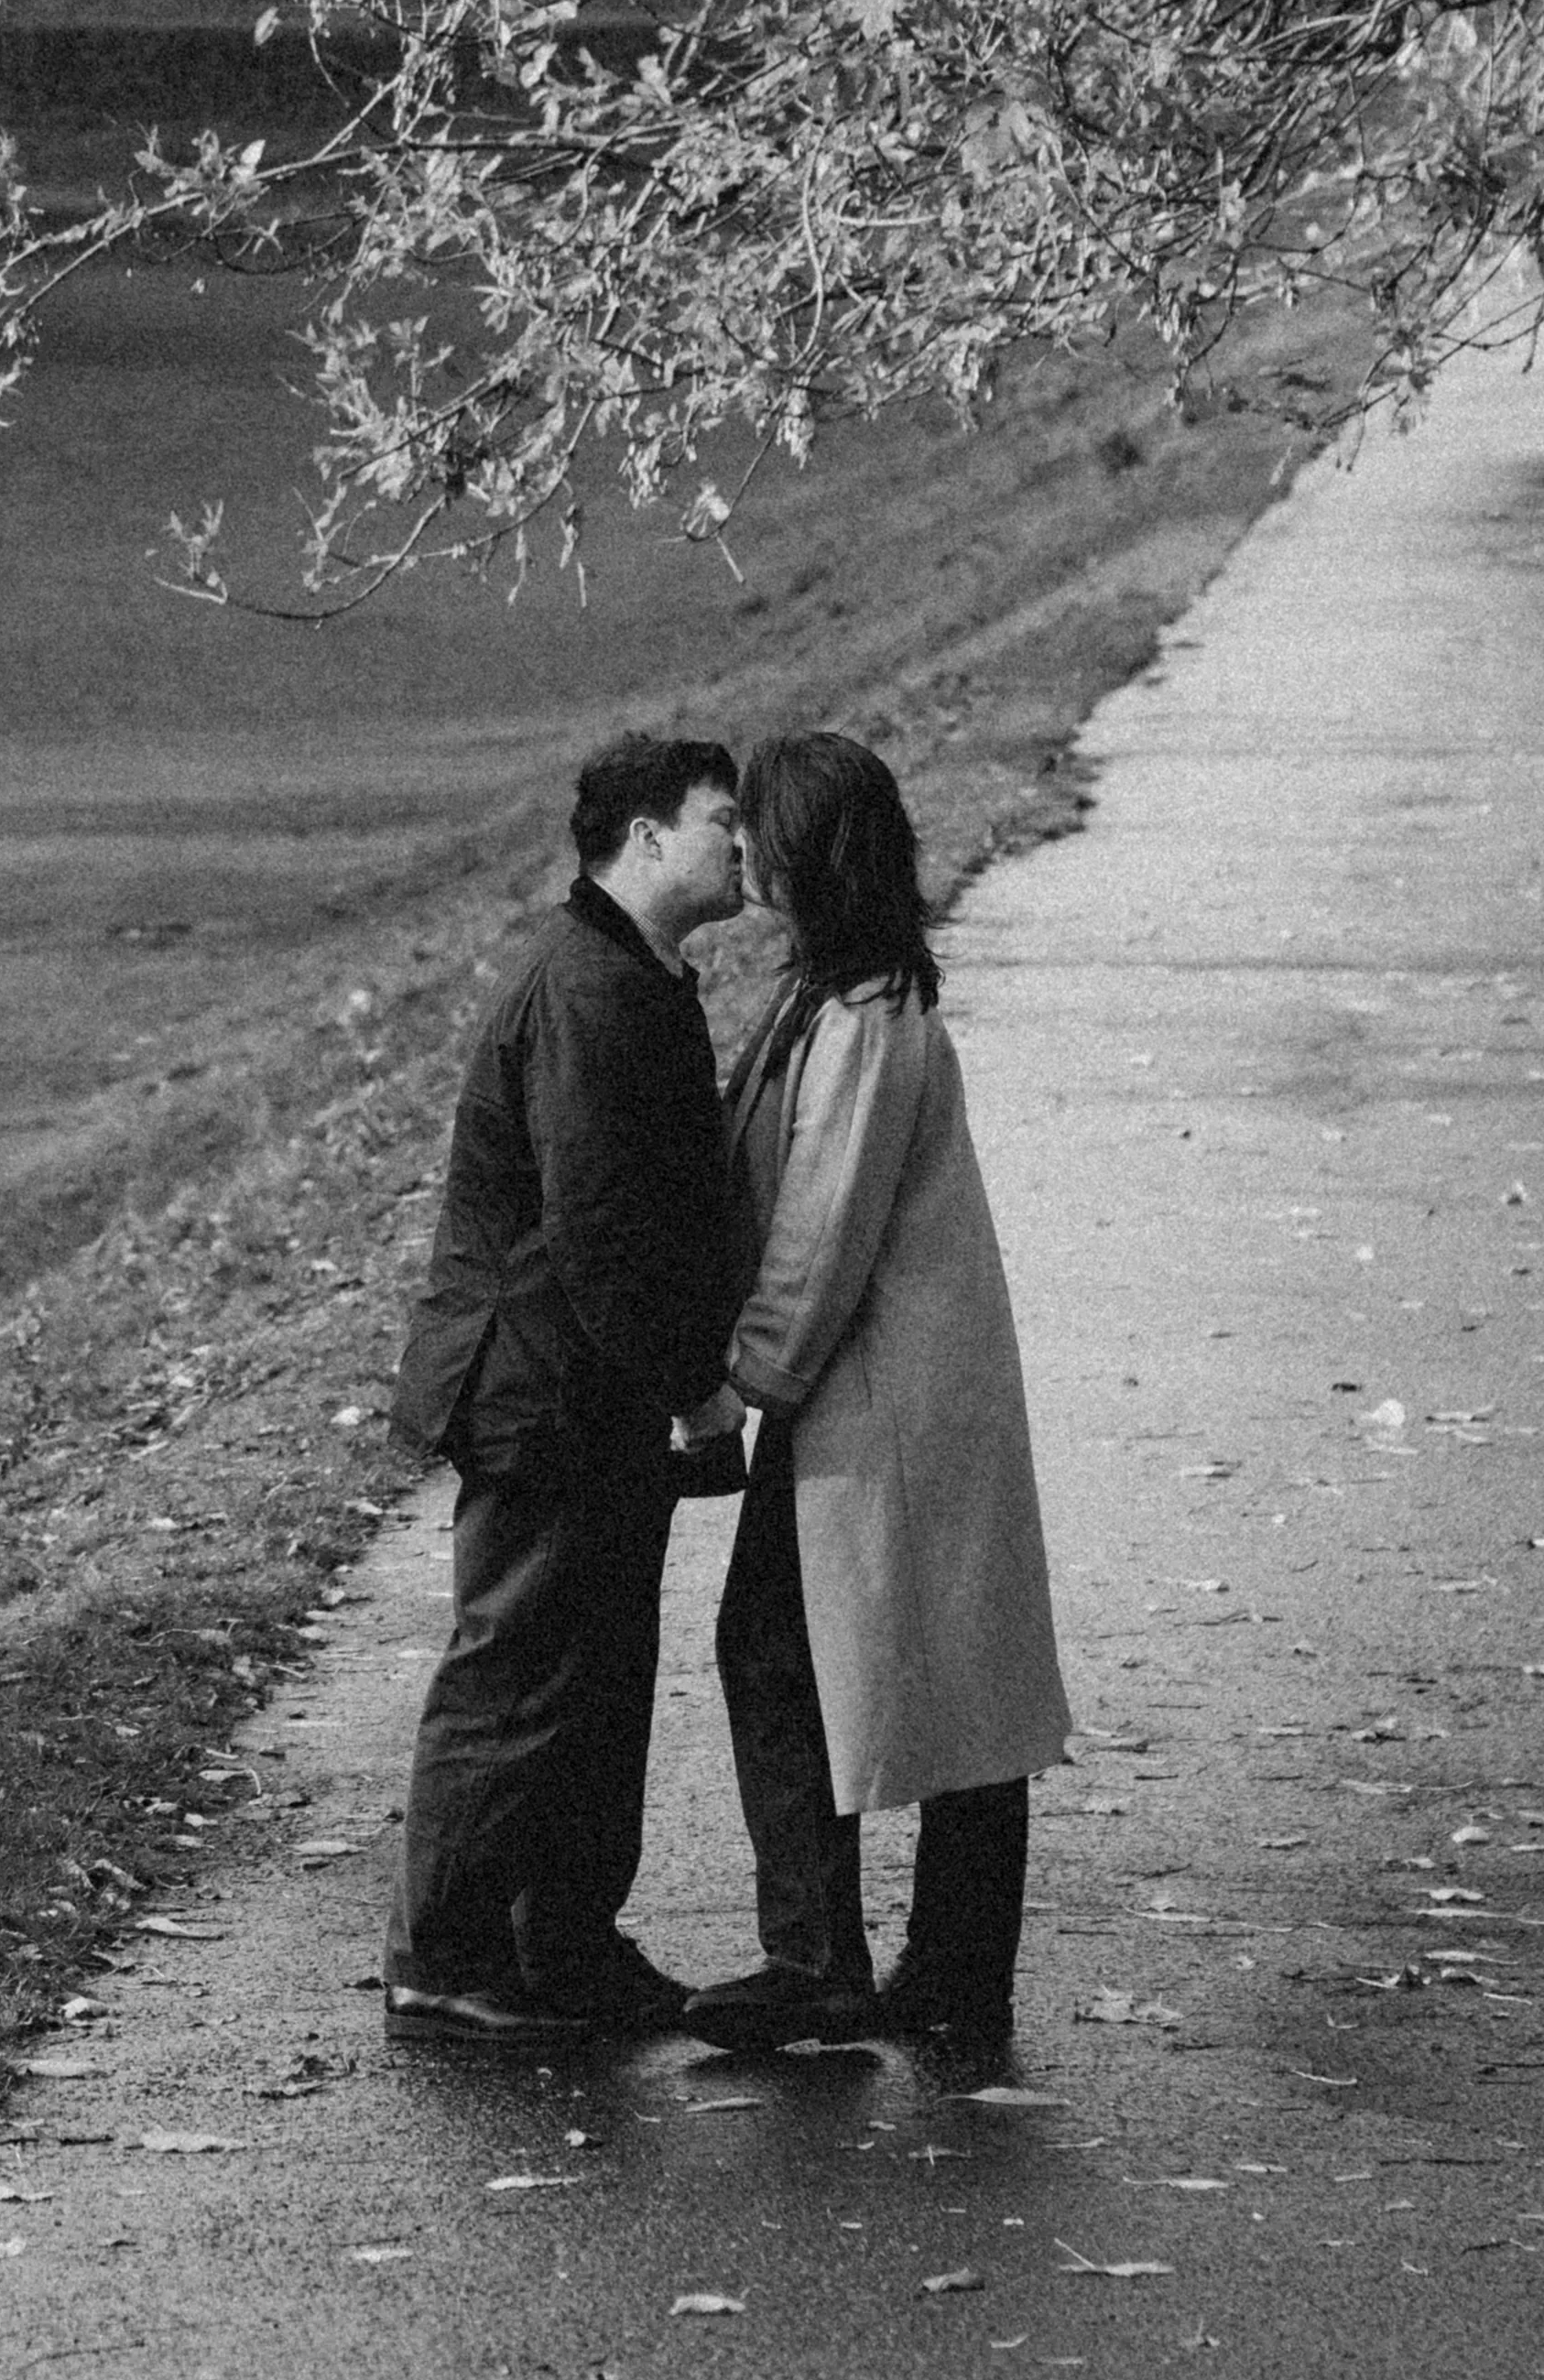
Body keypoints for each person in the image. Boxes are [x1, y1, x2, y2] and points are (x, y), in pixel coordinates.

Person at [683, 729, 1071, 2066]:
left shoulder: (860, 1024)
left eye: (767, 845)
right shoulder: (862, 999)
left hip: (875, 1401)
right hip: (910, 1391)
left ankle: (822, 1963)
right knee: (962, 1673)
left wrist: (740, 1387)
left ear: (811, 860)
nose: (750, 862)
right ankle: (952, 1969)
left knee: (777, 1653)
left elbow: (819, 1235)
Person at [382, 730, 754, 2040]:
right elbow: (600, 1232)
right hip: (539, 1391)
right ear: (646, 841)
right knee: (520, 1675)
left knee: (598, 1675)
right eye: (722, 820)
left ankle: (565, 1945)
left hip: (578, 1387)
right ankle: (449, 1961)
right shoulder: (589, 992)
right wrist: (698, 1389)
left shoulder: (628, 972)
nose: (743, 843)